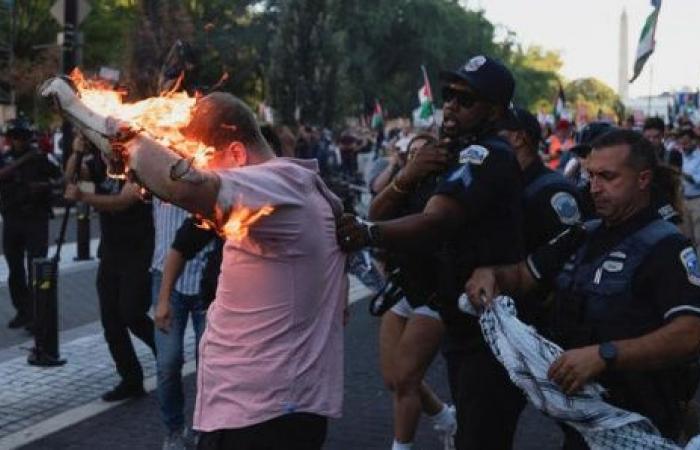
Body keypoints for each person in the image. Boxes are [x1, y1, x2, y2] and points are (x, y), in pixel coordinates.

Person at [98, 92, 347, 450]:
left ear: (236, 154)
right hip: (259, 409)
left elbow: (182, 188)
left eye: (203, 161)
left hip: (267, 418)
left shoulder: (279, 184)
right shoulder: (295, 190)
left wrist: (122, 135)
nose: (199, 169)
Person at [465, 129, 700, 448]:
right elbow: (523, 275)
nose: (595, 188)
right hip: (580, 422)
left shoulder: (666, 246)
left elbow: (690, 334)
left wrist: (606, 355)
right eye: (591, 176)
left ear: (643, 179)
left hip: (639, 424)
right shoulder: (582, 234)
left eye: (607, 177)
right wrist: (490, 275)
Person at [339, 55, 526, 450]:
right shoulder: (447, 152)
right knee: (401, 380)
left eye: (466, 99)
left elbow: (436, 221)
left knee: (478, 435)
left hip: (485, 325)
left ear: (493, 110)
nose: (451, 105)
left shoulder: (486, 153)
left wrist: (367, 235)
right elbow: (380, 209)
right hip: (441, 302)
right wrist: (408, 174)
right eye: (449, 95)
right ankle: (444, 418)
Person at [370, 133, 457, 450]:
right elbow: (374, 214)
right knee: (393, 378)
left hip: (434, 295)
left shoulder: (446, 191)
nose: (418, 157)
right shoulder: (400, 188)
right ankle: (445, 416)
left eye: (425, 152)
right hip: (402, 290)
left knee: (406, 379)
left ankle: (401, 446)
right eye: (412, 153)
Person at [63, 133, 156, 401]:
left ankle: (167, 356)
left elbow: (123, 202)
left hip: (139, 252)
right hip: (111, 253)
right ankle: (131, 379)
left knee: (132, 313)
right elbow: (71, 175)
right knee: (110, 320)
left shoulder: (137, 166)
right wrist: (75, 151)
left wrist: (83, 196)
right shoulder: (97, 164)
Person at [500, 107, 582, 330]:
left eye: (496, 134)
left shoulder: (553, 190)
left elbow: (571, 255)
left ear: (518, 138)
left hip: (541, 318)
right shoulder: (506, 183)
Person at [151, 196, 212, 450]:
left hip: (206, 277)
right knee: (167, 362)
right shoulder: (156, 168)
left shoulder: (211, 166)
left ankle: (205, 428)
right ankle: (174, 431)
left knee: (209, 364)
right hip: (166, 280)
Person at [0, 118, 62, 329]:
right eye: (15, 137)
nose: (18, 141)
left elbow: (62, 179)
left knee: (37, 268)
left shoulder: (42, 159)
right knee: (15, 270)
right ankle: (23, 311)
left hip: (36, 219)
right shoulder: (5, 158)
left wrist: (44, 186)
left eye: (22, 137)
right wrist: (25, 159)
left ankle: (39, 315)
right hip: (12, 219)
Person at [680, 128, 700, 249]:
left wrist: (680, 172)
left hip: (697, 201)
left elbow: (697, 180)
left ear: (694, 141)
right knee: (687, 238)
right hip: (683, 201)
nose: (684, 146)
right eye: (682, 143)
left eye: (686, 143)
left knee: (699, 238)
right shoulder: (681, 156)